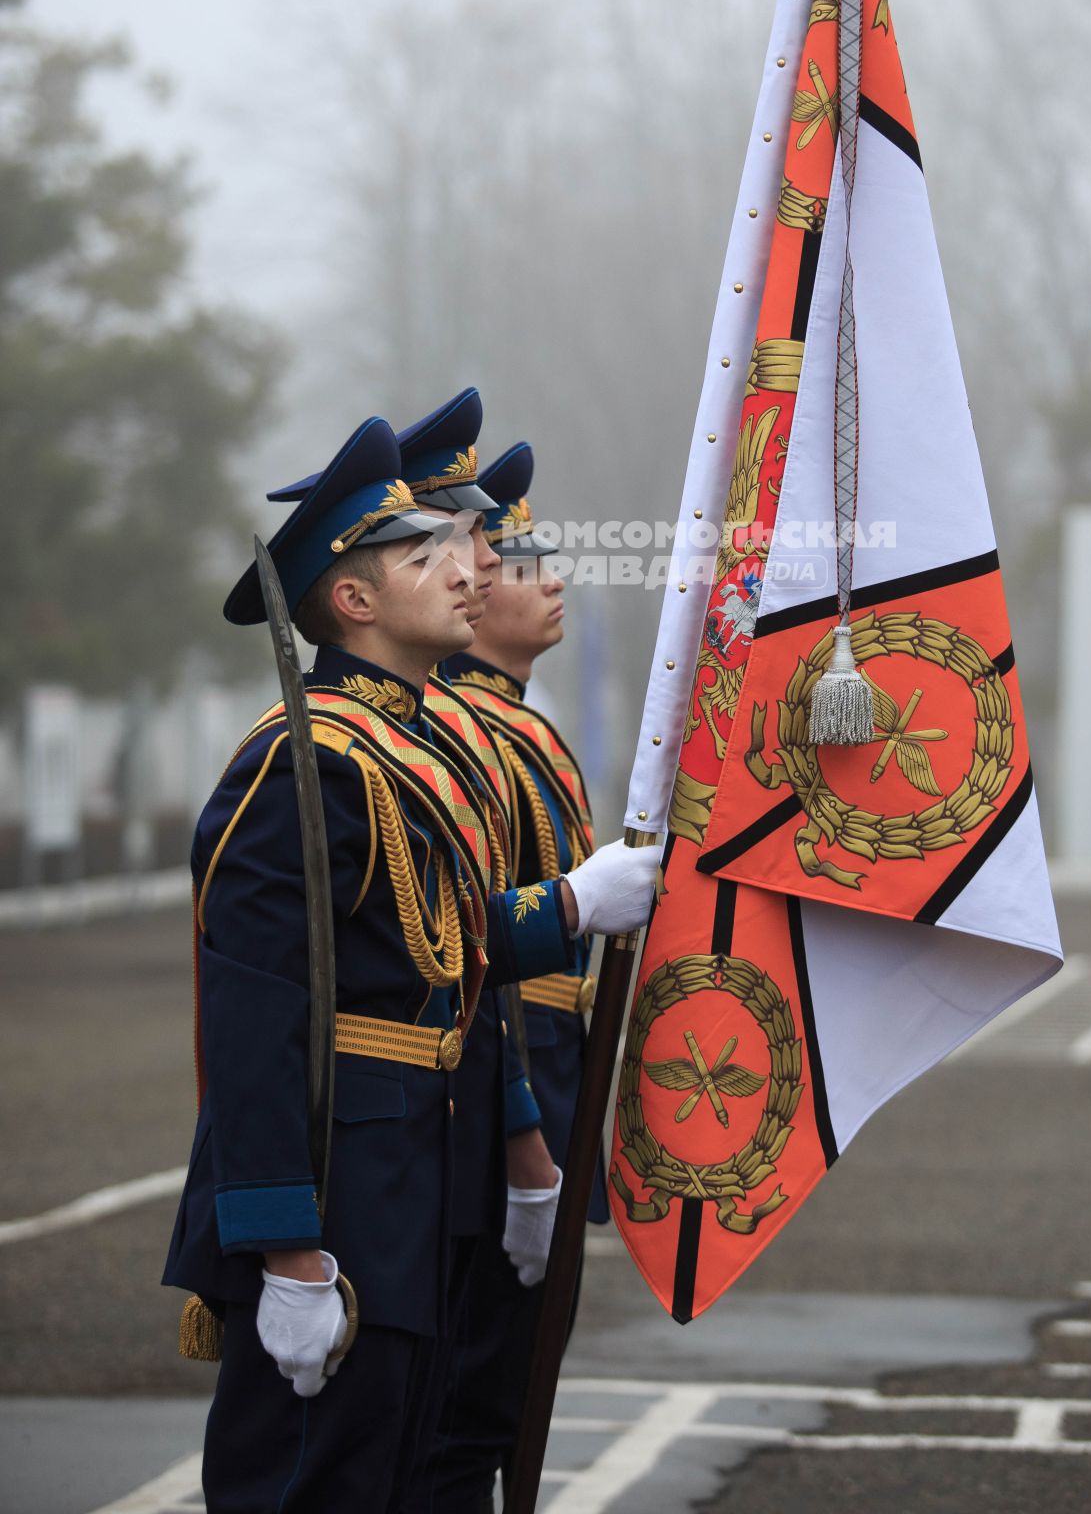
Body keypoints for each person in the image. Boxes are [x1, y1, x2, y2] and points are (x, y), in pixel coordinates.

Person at [162, 409, 659, 1514]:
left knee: (404, 1476)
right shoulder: (300, 766)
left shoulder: (402, 752)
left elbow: (444, 953)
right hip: (343, 1198)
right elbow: (257, 1023)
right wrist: (284, 1246)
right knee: (311, 1488)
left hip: (420, 1185)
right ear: (351, 601)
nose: (469, 570)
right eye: (425, 553)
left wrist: (567, 910)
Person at [422, 441, 607, 1512]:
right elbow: (480, 960)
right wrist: (527, 1140)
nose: (548, 578)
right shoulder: (465, 739)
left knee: (494, 1406)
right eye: (519, 559)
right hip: (495, 1113)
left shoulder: (515, 732)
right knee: (465, 1413)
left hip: (538, 1097)